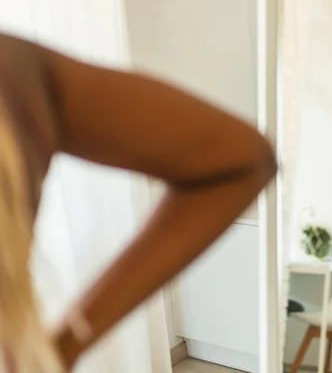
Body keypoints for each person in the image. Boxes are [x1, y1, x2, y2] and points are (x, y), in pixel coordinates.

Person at [0, 32, 276, 371]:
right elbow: (242, 162)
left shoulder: (16, 73)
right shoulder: (15, 72)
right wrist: (65, 346)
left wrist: (66, 345)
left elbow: (242, 162)